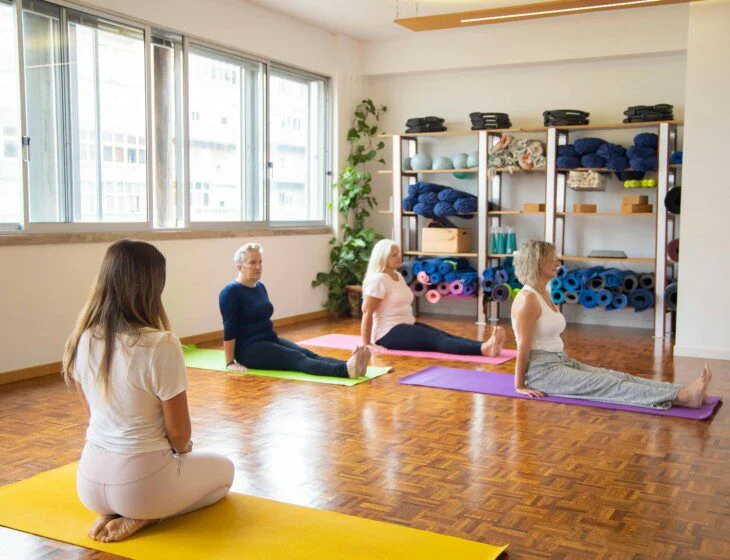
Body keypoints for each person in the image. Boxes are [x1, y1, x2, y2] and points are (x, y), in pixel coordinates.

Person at [62, 239, 234, 543]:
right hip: (141, 485)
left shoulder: (81, 338)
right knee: (224, 475)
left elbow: (93, 414)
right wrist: (182, 454)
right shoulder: (161, 343)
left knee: (165, 479)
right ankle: (148, 515)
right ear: (152, 286)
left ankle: (113, 511)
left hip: (88, 482)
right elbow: (179, 435)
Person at [510, 240, 711, 408]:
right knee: (608, 384)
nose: (557, 262)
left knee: (617, 376)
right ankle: (683, 398)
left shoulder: (543, 291)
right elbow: (523, 346)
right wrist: (520, 385)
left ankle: (682, 391)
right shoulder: (528, 300)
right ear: (536, 263)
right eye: (550, 259)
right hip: (541, 373)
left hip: (559, 361)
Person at [220, 243, 370, 378]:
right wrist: (229, 362)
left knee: (307, 353)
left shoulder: (259, 287)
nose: (258, 267)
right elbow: (229, 328)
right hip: (249, 350)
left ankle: (351, 365)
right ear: (239, 267)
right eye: (252, 263)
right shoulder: (230, 292)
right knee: (297, 359)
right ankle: (345, 371)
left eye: (260, 262)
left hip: (270, 339)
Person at [361, 239, 505, 355]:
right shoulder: (378, 280)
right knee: (435, 339)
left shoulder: (397, 276)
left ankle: (485, 345)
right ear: (382, 258)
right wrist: (367, 343)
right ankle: (483, 350)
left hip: (405, 324)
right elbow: (367, 312)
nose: (399, 256)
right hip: (387, 333)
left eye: (398, 253)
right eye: (394, 255)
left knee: (444, 335)